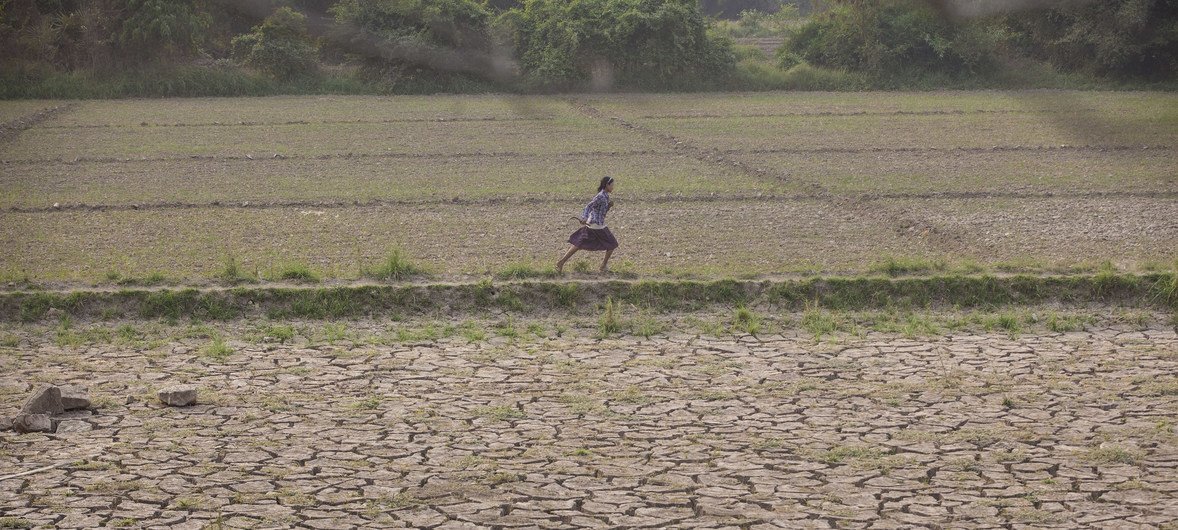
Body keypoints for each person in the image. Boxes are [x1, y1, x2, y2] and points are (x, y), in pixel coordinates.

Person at [557, 176, 618, 273]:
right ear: (607, 185)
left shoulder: (606, 196)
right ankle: (603, 266)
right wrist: (584, 217)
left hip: (595, 224)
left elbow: (601, 211)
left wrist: (609, 206)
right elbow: (589, 206)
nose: (613, 187)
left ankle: (561, 262)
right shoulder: (600, 196)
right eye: (612, 185)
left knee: (579, 243)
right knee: (612, 243)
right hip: (596, 225)